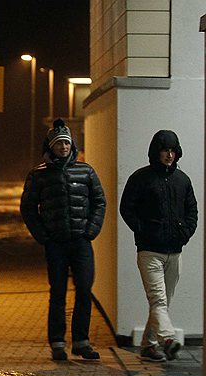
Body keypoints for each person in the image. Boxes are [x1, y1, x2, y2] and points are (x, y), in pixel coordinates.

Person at [21, 119, 107, 361]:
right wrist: (43, 236)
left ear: (72, 145)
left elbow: (100, 201)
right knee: (57, 291)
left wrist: (91, 230)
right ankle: (57, 342)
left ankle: (81, 341)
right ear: (50, 147)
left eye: (66, 143)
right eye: (59, 143)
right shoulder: (39, 175)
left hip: (81, 241)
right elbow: (28, 207)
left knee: (84, 288)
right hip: (56, 243)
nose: (63, 147)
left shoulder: (86, 171)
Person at [119, 130, 197, 362]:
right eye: (165, 150)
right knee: (158, 300)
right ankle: (168, 340)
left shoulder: (183, 180)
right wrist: (142, 230)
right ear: (157, 152)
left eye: (173, 150)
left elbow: (192, 209)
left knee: (163, 301)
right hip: (149, 251)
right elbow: (127, 208)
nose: (169, 155)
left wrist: (186, 232)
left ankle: (147, 347)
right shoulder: (140, 178)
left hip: (175, 250)